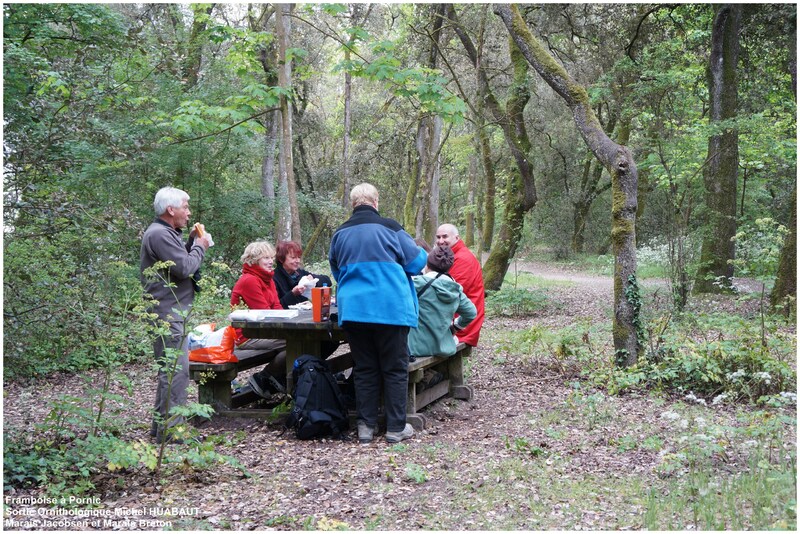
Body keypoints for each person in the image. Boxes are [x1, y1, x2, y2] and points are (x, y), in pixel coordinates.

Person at [329, 183, 427, 444]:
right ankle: (395, 428)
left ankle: (365, 427)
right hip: (390, 309)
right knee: (395, 368)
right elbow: (417, 263)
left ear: (353, 204)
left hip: (354, 311)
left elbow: (337, 271)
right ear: (375, 202)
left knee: (364, 368)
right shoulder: (391, 227)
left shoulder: (340, 233)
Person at [140, 186, 211, 444]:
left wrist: (191, 242)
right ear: (171, 209)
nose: (188, 213)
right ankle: (173, 434)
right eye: (185, 207)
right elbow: (184, 267)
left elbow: (178, 262)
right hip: (166, 313)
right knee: (176, 372)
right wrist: (200, 246)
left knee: (170, 372)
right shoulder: (159, 234)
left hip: (171, 311)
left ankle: (161, 430)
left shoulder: (166, 233)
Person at [230, 241, 288, 398]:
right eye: (266, 258)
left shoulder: (267, 278)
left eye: (272, 257)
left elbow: (276, 307)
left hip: (263, 331)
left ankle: (274, 377)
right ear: (254, 260)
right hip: (246, 336)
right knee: (298, 341)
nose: (271, 261)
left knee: (302, 339)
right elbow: (265, 314)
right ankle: (265, 377)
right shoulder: (250, 280)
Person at [408, 245, 477, 358]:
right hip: (444, 346)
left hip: (415, 347)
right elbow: (471, 312)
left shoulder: (416, 283)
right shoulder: (455, 288)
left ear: (427, 264)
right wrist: (455, 327)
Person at [434, 223, 486, 347]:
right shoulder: (450, 256)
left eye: (445, 237)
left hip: (462, 324)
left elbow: (449, 294)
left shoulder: (462, 259)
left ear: (457, 238)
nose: (441, 241)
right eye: (438, 237)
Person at [273, 240, 333, 309]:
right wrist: (293, 294)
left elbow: (327, 281)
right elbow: (276, 306)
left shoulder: (300, 273)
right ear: (281, 259)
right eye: (293, 258)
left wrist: (313, 280)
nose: (297, 261)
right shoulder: (274, 278)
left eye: (298, 257)